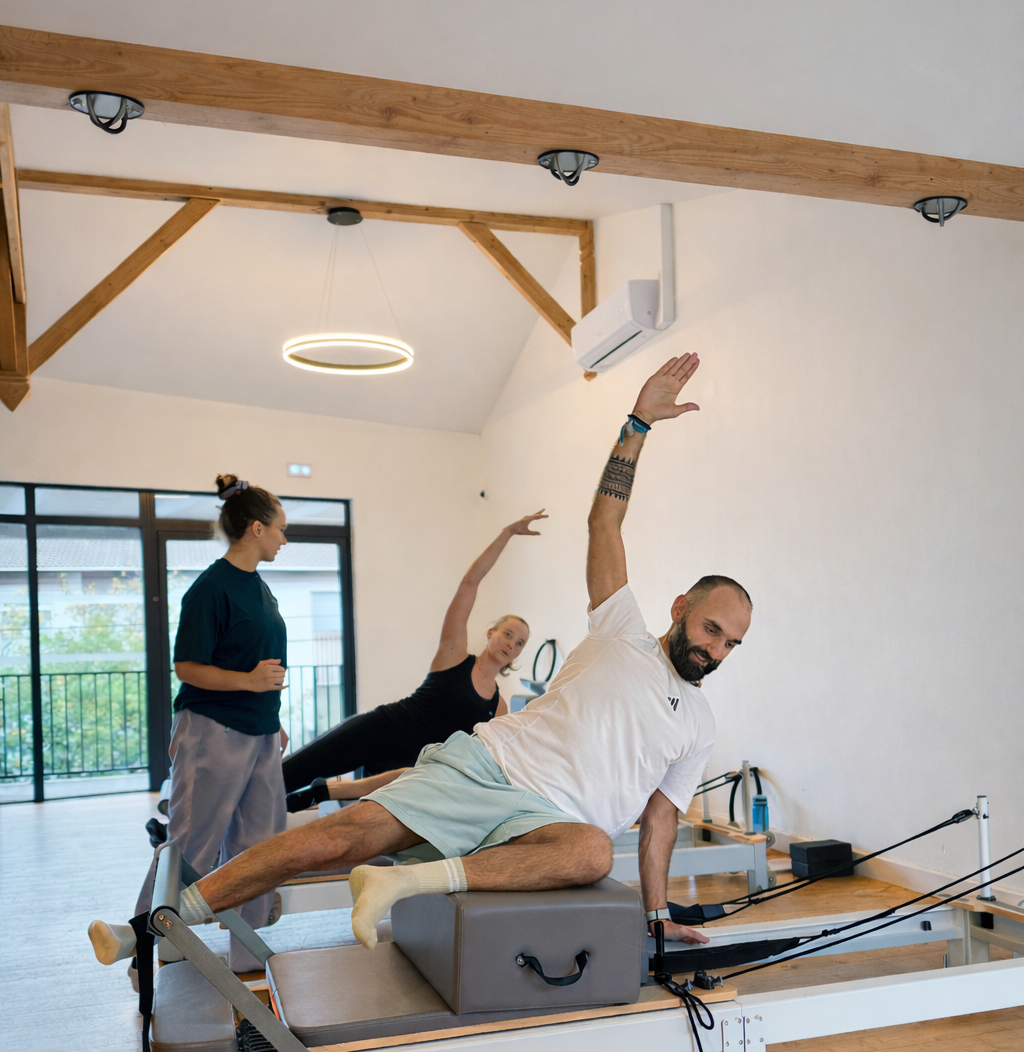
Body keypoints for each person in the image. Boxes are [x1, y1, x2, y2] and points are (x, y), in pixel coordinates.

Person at [89, 354, 753, 967]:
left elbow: (660, 820)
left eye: (730, 644)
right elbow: (604, 522)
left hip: (552, 828)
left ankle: (399, 882)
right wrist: (637, 424)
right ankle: (146, 929)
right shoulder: (621, 628)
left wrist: (657, 916)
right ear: (679, 608)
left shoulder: (697, 723)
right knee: (334, 839)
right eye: (711, 629)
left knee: (593, 851)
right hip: (489, 769)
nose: (715, 649)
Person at [91, 475, 291, 973]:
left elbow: (261, 665)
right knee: (189, 846)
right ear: (256, 528)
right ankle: (140, 949)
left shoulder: (259, 586)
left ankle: (247, 963)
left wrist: (273, 721)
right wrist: (249, 683)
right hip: (212, 730)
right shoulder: (210, 589)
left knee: (260, 849)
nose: (284, 539)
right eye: (280, 529)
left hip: (261, 731)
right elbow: (187, 667)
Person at [280, 514, 547, 808]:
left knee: (419, 775)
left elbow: (486, 757)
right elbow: (470, 582)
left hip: (411, 767)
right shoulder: (454, 654)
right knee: (286, 775)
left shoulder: (498, 707)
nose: (511, 644)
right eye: (508, 634)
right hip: (381, 730)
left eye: (520, 643)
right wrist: (507, 533)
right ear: (490, 633)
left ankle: (323, 792)